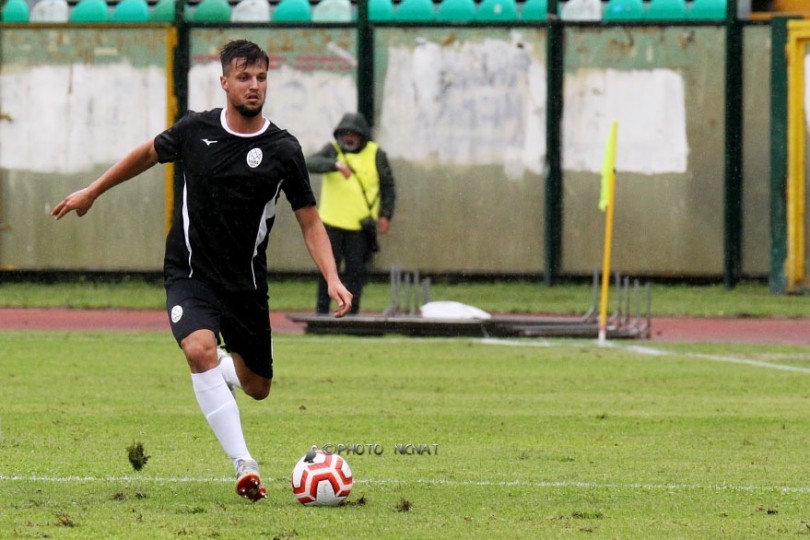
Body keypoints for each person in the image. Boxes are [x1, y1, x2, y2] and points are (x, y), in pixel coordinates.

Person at [51, 39, 353, 503]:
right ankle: (244, 465)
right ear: (225, 82)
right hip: (189, 274)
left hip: (247, 286)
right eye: (244, 77)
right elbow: (147, 154)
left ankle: (221, 373)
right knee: (198, 348)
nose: (254, 86)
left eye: (261, 77)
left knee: (258, 387)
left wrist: (332, 278)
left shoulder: (283, 150)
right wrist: (93, 191)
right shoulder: (196, 131)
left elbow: (309, 220)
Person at [305, 112, 396, 315]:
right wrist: (334, 165)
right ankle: (321, 315)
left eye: (354, 134)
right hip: (330, 224)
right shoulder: (333, 151)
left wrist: (386, 214)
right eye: (345, 133)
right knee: (328, 272)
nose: (349, 138)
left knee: (356, 273)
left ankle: (352, 315)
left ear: (363, 136)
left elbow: (388, 186)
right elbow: (310, 163)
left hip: (359, 227)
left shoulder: (376, 154)